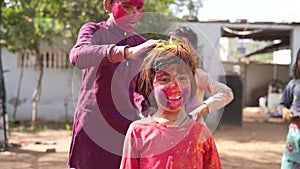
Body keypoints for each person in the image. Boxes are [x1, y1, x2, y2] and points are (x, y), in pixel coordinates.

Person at [68, 0, 161, 168]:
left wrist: (150, 109)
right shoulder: (94, 31)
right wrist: (126, 52)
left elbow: (139, 89)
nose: (134, 14)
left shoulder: (141, 43)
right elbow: (77, 55)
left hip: (124, 130)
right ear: (108, 5)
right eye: (126, 6)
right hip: (92, 127)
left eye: (139, 8)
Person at [120, 43, 223, 169]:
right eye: (164, 79)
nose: (175, 86)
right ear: (151, 85)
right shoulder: (138, 132)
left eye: (182, 78)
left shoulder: (202, 135)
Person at [168, 26, 234, 123]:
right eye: (171, 47)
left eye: (181, 46)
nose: (175, 51)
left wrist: (200, 110)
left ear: (194, 52)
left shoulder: (198, 76)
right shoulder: (161, 75)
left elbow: (227, 93)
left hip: (194, 131)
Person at [278, 48, 300, 169]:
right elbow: (282, 104)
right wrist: (284, 111)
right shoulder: (293, 84)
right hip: (295, 134)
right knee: (289, 165)